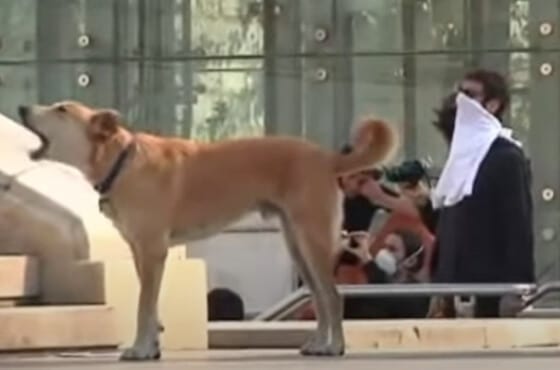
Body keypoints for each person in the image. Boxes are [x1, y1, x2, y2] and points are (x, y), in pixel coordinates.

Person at [429, 69, 534, 318]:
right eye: (459, 93)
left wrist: (516, 288)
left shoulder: (506, 156)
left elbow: (517, 225)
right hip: (452, 287)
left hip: (487, 290)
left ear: (493, 104)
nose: (460, 102)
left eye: (470, 95)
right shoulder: (461, 156)